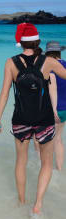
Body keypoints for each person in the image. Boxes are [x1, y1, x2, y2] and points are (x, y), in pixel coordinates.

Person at [0, 23, 66, 214]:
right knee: (47, 163)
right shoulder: (48, 61)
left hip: (20, 119)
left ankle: (21, 201)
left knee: (20, 162)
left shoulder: (11, 62)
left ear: (20, 42)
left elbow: (4, 93)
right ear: (37, 41)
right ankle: (38, 203)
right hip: (44, 120)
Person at [45, 41, 66, 171]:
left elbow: (53, 89)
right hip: (65, 109)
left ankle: (44, 169)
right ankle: (59, 169)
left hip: (55, 109)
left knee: (45, 140)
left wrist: (53, 110)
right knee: (58, 139)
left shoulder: (50, 68)